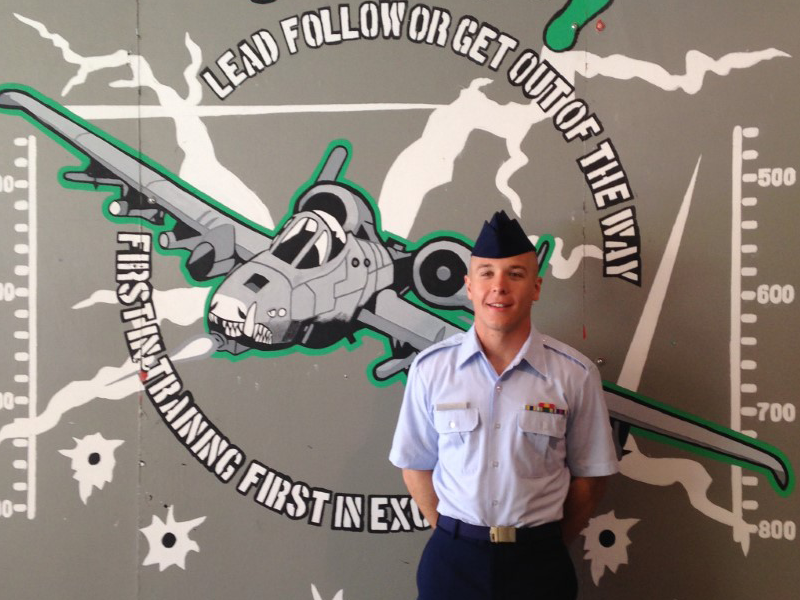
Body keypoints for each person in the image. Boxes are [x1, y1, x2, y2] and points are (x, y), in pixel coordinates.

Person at [389, 211, 619, 600]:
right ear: (468, 287)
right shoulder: (431, 370)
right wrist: (455, 532)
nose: (499, 287)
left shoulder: (574, 374)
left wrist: (545, 542)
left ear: (536, 287)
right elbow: (415, 467)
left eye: (515, 274)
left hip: (539, 565)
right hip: (453, 562)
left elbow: (591, 478)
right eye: (486, 274)